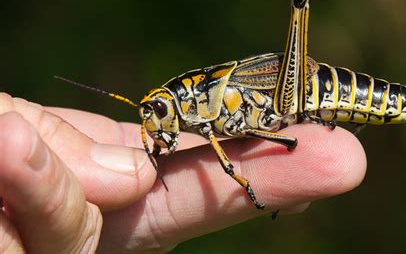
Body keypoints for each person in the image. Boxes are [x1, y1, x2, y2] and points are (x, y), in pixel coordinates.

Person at [0, 92, 366, 253]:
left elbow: (228, 158)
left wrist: (246, 186)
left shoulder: (212, 105)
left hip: (299, 90)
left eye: (158, 110)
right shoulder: (189, 121)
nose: (154, 121)